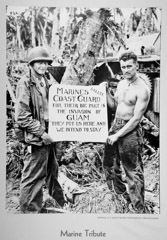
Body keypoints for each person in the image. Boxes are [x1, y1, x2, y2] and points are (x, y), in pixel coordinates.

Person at [15, 46, 67, 213]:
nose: (43, 66)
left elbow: (61, 98)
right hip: (37, 137)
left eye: (45, 63)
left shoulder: (47, 80)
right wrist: (42, 134)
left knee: (53, 170)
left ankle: (58, 202)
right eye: (39, 63)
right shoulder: (25, 83)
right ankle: (31, 213)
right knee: (33, 177)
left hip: (50, 133)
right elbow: (22, 116)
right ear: (31, 64)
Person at [102, 51, 150, 213]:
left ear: (136, 65)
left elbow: (136, 118)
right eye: (123, 67)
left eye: (129, 66)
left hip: (130, 132)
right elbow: (115, 107)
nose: (126, 70)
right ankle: (121, 199)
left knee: (132, 171)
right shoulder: (122, 84)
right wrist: (105, 92)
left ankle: (139, 209)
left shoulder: (142, 89)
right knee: (109, 165)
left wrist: (117, 135)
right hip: (115, 125)